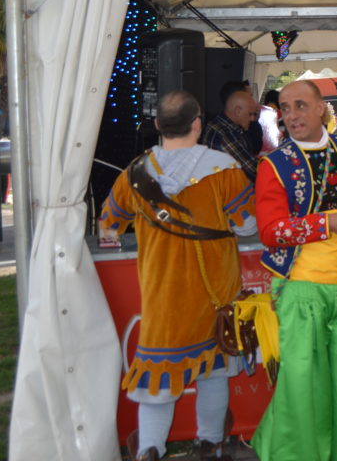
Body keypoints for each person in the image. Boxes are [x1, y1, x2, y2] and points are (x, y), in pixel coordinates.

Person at [97, 91, 256, 461]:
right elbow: (246, 226)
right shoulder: (224, 169)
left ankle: (151, 450)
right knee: (214, 371)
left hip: (163, 294)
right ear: (197, 123)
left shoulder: (135, 172)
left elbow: (108, 229)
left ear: (157, 125)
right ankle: (211, 446)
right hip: (215, 291)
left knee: (159, 377)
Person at [252, 80, 337, 461]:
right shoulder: (273, 165)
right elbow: (271, 232)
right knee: (303, 387)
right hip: (301, 292)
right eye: (284, 108)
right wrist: (328, 225)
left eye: (299, 106)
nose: (291, 115)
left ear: (321, 107)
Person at [202, 85, 261, 181]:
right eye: (250, 114)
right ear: (237, 111)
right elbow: (254, 170)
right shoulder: (226, 134)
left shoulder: (218, 123)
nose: (253, 119)